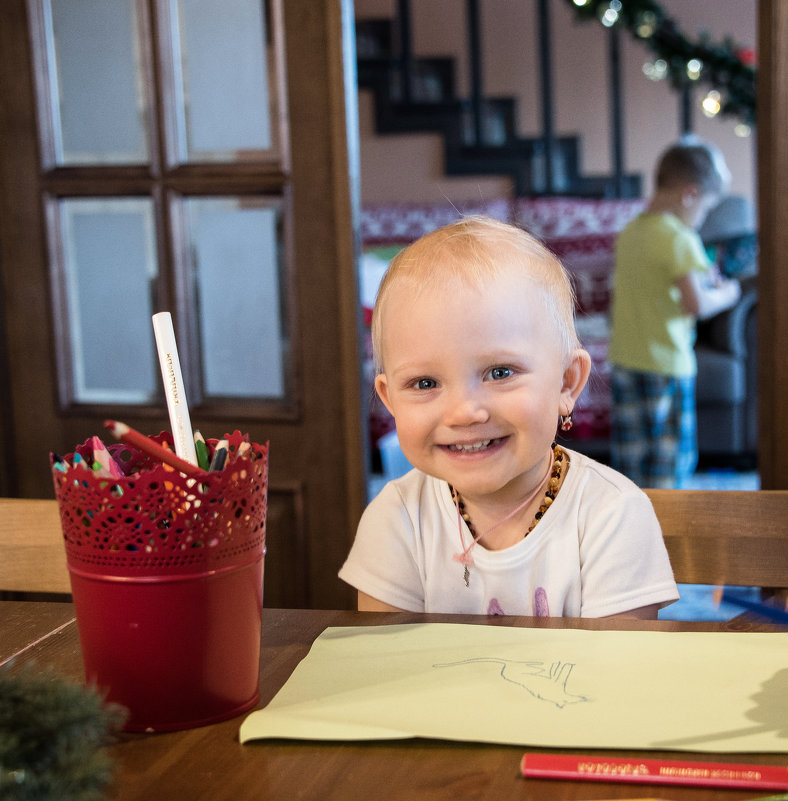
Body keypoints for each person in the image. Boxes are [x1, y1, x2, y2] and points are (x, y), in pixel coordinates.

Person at [339, 216, 678, 619]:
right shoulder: (397, 519)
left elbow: (619, 677)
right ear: (389, 398)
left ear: (566, 384)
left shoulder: (612, 515)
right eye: (425, 383)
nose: (464, 412)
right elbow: (383, 669)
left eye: (500, 372)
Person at [608, 139, 742, 488]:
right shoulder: (680, 238)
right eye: (706, 207)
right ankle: (668, 532)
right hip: (666, 364)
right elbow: (695, 304)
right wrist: (728, 293)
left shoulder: (631, 231)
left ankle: (631, 525)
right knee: (670, 461)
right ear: (690, 194)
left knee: (631, 457)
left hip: (624, 360)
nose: (703, 216)